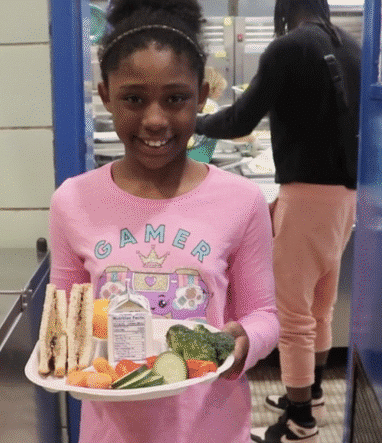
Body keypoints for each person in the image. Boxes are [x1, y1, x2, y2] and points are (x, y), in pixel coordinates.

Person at [48, 0, 280, 442]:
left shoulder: (242, 200)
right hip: (111, 431)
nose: (155, 120)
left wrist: (241, 342)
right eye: (133, 99)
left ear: (202, 95)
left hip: (208, 428)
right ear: (105, 96)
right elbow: (65, 319)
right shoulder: (73, 201)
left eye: (176, 99)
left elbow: (264, 315)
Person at [195, 0, 360, 441]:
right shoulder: (351, 47)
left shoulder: (288, 48)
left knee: (292, 314)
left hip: (306, 194)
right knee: (320, 304)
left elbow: (242, 119)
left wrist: (194, 121)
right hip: (347, 197)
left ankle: (301, 419)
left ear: (284, 10)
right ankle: (313, 394)